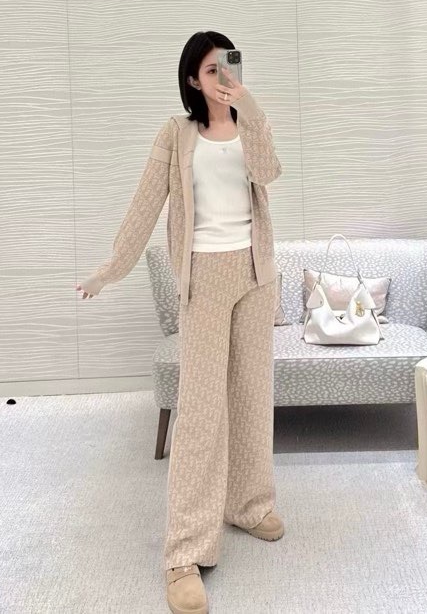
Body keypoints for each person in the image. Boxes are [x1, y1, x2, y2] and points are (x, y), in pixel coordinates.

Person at [76, 31, 284, 614]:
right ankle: (185, 552)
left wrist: (250, 107)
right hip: (206, 279)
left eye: (229, 66)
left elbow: (268, 172)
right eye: (212, 70)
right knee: (200, 412)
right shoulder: (176, 134)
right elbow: (145, 205)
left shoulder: (249, 124)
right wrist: (109, 270)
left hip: (257, 275)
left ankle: (248, 504)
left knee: (251, 397)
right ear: (193, 79)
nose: (223, 77)